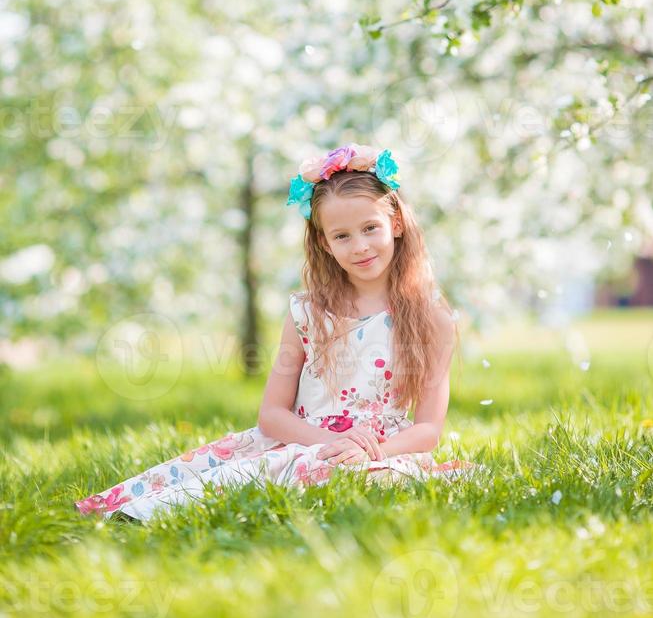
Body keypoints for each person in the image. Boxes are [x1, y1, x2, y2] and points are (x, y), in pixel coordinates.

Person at [74, 142, 476, 523]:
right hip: (304, 439)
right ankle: (141, 513)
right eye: (342, 236)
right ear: (324, 243)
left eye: (371, 228)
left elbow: (427, 430)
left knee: (368, 478)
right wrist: (326, 443)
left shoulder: (432, 319)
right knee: (268, 471)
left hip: (382, 449)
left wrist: (369, 451)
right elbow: (271, 415)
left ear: (397, 223)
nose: (360, 246)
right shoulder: (309, 313)